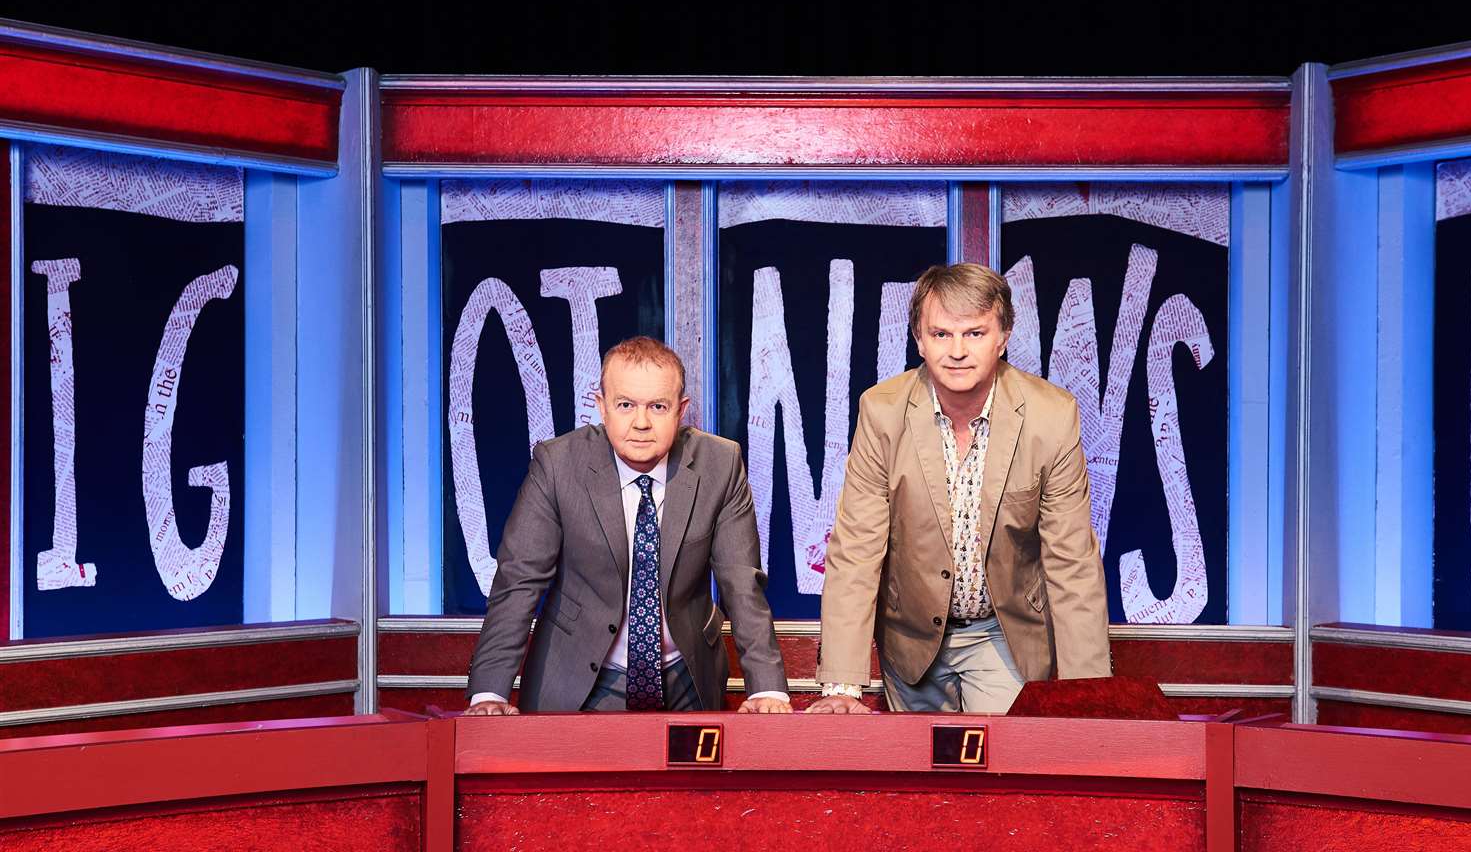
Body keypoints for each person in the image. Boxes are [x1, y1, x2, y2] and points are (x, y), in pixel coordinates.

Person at [808, 263, 1112, 714]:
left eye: (974, 333)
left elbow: (1072, 562)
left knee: (1003, 774)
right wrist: (842, 685)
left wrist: (1089, 695)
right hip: (909, 635)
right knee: (918, 780)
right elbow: (856, 549)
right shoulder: (881, 412)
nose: (957, 351)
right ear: (918, 338)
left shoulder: (1052, 416)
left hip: (1004, 630)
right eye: (940, 334)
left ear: (1003, 336)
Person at [465, 337, 790, 715]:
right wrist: (489, 694)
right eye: (625, 405)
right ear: (601, 408)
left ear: (680, 411)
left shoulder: (720, 464)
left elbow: (741, 584)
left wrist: (768, 690)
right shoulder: (557, 465)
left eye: (657, 406)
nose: (641, 422)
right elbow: (518, 581)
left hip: (687, 678)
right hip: (578, 679)